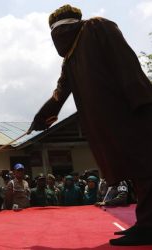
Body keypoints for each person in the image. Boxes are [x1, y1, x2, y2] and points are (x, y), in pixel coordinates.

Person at [27, 4, 152, 246]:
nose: (58, 37)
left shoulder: (96, 27)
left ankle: (149, 226)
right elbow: (58, 96)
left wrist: (144, 103)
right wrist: (40, 119)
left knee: (146, 169)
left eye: (61, 30)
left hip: (132, 112)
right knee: (138, 171)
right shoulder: (71, 58)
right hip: (110, 123)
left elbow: (127, 63)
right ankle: (146, 222)